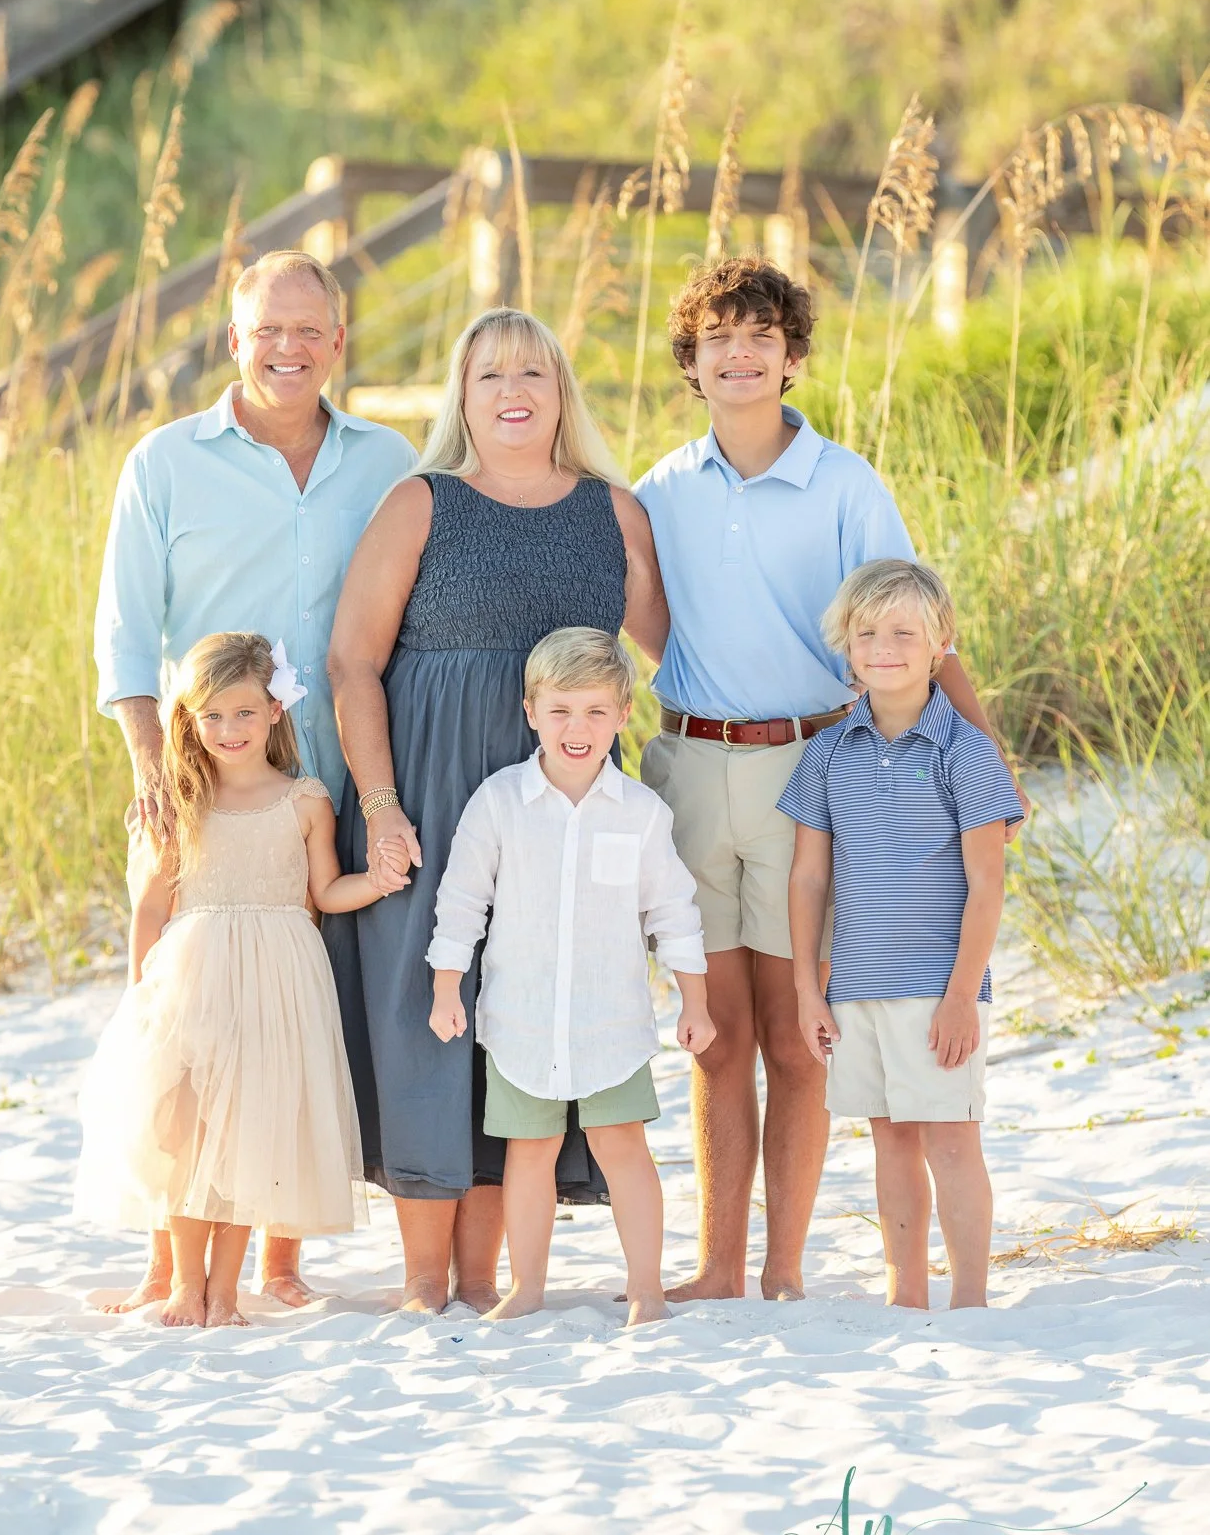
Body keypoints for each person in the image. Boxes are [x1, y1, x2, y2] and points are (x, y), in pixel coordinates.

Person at [635, 256, 1024, 1303]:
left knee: (792, 1033)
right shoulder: (657, 489)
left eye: (760, 333)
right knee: (716, 1037)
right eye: (717, 336)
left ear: (792, 356)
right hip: (687, 763)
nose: (740, 352)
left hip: (809, 770)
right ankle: (719, 1264)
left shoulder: (844, 481)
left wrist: (982, 759)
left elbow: (915, 624)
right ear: (692, 360)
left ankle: (783, 1264)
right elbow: (642, 620)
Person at [92, 248, 416, 1312]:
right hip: (201, 780)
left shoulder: (388, 460)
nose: (286, 347)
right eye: (264, 329)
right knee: (179, 1032)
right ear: (234, 340)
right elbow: (128, 639)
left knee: (286, 1018)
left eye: (306, 329)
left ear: (336, 340)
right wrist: (155, 775)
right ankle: (162, 1259)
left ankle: (277, 1260)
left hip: (327, 780)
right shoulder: (167, 461)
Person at [326, 308, 669, 1315]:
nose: (511, 389)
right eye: (488, 375)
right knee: (425, 1011)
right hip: (427, 786)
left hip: (560, 799)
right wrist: (382, 805)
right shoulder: (419, 502)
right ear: (461, 394)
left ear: (561, 389)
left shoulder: (614, 512)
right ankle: (426, 1279)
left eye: (532, 371)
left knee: (525, 1005)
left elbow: (669, 652)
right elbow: (352, 661)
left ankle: (486, 1277)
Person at [74, 632, 401, 1327]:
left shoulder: (305, 799)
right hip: (193, 981)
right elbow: (152, 910)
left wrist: (372, 883)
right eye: (213, 716)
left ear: (275, 712)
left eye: (245, 713)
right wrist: (141, 995)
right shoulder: (181, 804)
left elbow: (324, 892)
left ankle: (224, 1291)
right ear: (189, 720)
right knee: (187, 1135)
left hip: (279, 981)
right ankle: (186, 1284)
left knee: (252, 1136)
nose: (229, 730)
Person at [426, 628, 715, 1326]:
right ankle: (526, 1288)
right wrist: (446, 986)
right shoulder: (498, 802)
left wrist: (693, 1001)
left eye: (594, 711)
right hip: (519, 1020)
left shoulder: (641, 814)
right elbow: (462, 899)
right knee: (530, 1153)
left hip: (610, 1020)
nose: (576, 729)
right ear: (531, 712)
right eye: (559, 711)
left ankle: (646, 1288)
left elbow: (673, 911)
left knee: (624, 1148)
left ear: (622, 715)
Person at [780, 561, 1022, 1309]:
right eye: (867, 633)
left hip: (938, 988)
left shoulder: (965, 752)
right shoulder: (826, 754)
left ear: (940, 643)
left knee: (951, 1139)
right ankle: (906, 1296)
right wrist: (806, 988)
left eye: (904, 633)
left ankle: (971, 1300)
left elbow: (989, 883)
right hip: (855, 985)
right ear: (846, 647)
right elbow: (809, 879)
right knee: (889, 1140)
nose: (884, 647)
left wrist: (959, 998)